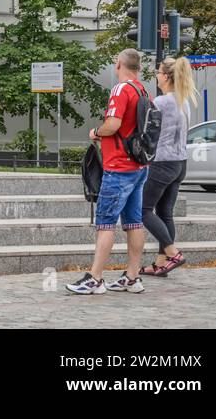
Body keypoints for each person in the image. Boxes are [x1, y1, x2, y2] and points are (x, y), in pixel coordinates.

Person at [66, 48, 150, 295]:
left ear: (119, 65)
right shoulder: (142, 90)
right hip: (138, 166)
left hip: (118, 167)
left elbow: (113, 125)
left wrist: (96, 132)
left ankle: (95, 278)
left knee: (105, 223)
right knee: (134, 222)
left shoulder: (121, 89)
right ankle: (133, 276)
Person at [140, 55, 196, 277]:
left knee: (143, 210)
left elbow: (148, 133)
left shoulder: (161, 102)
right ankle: (160, 264)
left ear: (165, 77)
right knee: (165, 212)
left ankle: (173, 253)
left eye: (158, 72)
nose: (156, 75)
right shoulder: (184, 100)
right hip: (180, 163)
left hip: (162, 163)